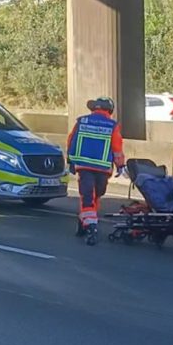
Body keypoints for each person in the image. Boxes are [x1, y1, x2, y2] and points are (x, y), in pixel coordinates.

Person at [66, 96, 126, 246]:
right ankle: (91, 227)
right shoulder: (112, 125)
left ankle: (84, 220)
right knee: (94, 197)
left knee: (88, 196)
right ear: (109, 110)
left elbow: (71, 140)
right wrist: (120, 165)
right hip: (102, 168)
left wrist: (71, 160)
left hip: (84, 167)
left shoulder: (82, 121)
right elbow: (117, 148)